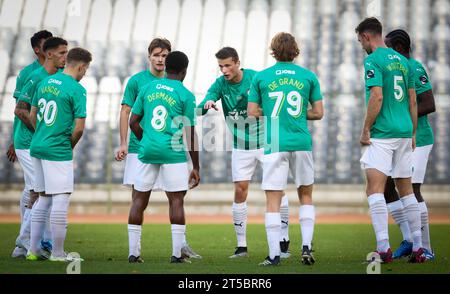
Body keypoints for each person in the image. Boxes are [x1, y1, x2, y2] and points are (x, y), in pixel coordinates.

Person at [197, 47, 291, 259]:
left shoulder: (255, 78)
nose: (224, 70)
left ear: (237, 62)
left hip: (268, 141)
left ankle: (283, 241)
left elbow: (273, 102)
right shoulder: (220, 84)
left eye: (228, 65)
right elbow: (201, 107)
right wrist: (207, 104)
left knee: (277, 190)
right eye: (221, 66)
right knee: (240, 190)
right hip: (241, 145)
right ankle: (241, 246)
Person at [115, 38, 200, 262]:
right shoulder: (186, 94)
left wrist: (145, 141)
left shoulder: (147, 87)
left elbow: (133, 121)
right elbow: (190, 133)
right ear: (183, 71)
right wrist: (196, 166)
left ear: (167, 66)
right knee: (176, 200)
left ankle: (133, 254)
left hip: (146, 152)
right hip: (172, 153)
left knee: (138, 200)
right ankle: (175, 255)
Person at [248, 32, 324, 266]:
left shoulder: (261, 77)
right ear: (295, 51)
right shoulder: (308, 76)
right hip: (301, 142)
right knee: (306, 196)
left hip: (274, 142)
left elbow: (252, 112)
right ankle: (306, 248)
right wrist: (300, 113)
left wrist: (272, 114)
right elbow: (319, 113)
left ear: (273, 51)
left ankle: (274, 256)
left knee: (273, 199)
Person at [355, 17, 425, 263]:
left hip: (383, 134)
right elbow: (413, 100)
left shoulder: (372, 60)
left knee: (374, 189)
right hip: (405, 131)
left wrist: (365, 129)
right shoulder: (405, 63)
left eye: (359, 40)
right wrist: (413, 132)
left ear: (365, 36)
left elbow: (376, 96)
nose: (361, 45)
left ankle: (383, 247)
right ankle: (418, 247)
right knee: (406, 191)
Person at [26, 47, 92, 261]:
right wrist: (67, 146)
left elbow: (32, 114)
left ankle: (32, 250)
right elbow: (79, 128)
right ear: (81, 66)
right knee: (61, 199)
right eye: (86, 69)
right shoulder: (77, 89)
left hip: (37, 146)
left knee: (43, 199)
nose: (85, 74)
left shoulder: (45, 82)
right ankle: (57, 253)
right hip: (57, 150)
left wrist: (42, 135)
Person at [383, 29, 436, 260]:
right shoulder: (396, 70)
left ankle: (426, 248)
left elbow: (429, 103)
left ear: (398, 47)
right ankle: (408, 238)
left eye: (388, 48)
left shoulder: (414, 67)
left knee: (412, 190)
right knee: (385, 186)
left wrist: (402, 115)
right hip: (401, 139)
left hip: (419, 138)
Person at [9, 30, 53, 258]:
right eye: (48, 45)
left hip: (44, 141)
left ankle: (31, 243)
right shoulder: (28, 74)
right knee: (40, 188)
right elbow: (20, 108)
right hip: (27, 140)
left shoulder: (57, 73)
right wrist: (12, 140)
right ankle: (27, 241)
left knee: (33, 188)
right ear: (37, 49)